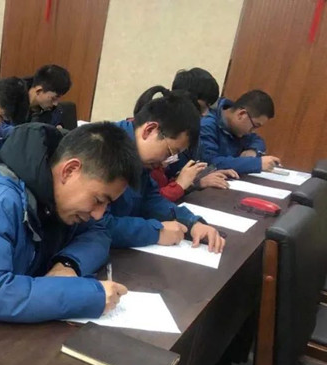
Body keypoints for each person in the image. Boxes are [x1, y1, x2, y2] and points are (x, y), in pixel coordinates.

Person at [0, 122, 138, 322]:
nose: (99, 214)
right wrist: (88, 296)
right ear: (69, 170)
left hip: (12, 318)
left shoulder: (58, 196)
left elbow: (98, 231)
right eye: (99, 200)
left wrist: (69, 264)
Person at [106, 86, 226, 253]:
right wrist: (156, 232)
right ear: (149, 130)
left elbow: (151, 200)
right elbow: (97, 225)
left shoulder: (141, 159)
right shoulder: (105, 151)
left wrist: (192, 223)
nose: (167, 161)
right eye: (170, 152)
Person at [132, 86, 238, 202]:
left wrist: (195, 181)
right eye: (170, 152)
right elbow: (147, 203)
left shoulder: (153, 156)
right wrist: (180, 185)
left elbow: (153, 198)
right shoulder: (140, 159)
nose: (205, 116)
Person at [199, 89, 279, 174]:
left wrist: (253, 150)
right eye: (255, 125)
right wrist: (256, 164)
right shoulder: (207, 125)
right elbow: (211, 163)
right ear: (241, 114)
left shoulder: (238, 128)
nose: (252, 131)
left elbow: (257, 140)